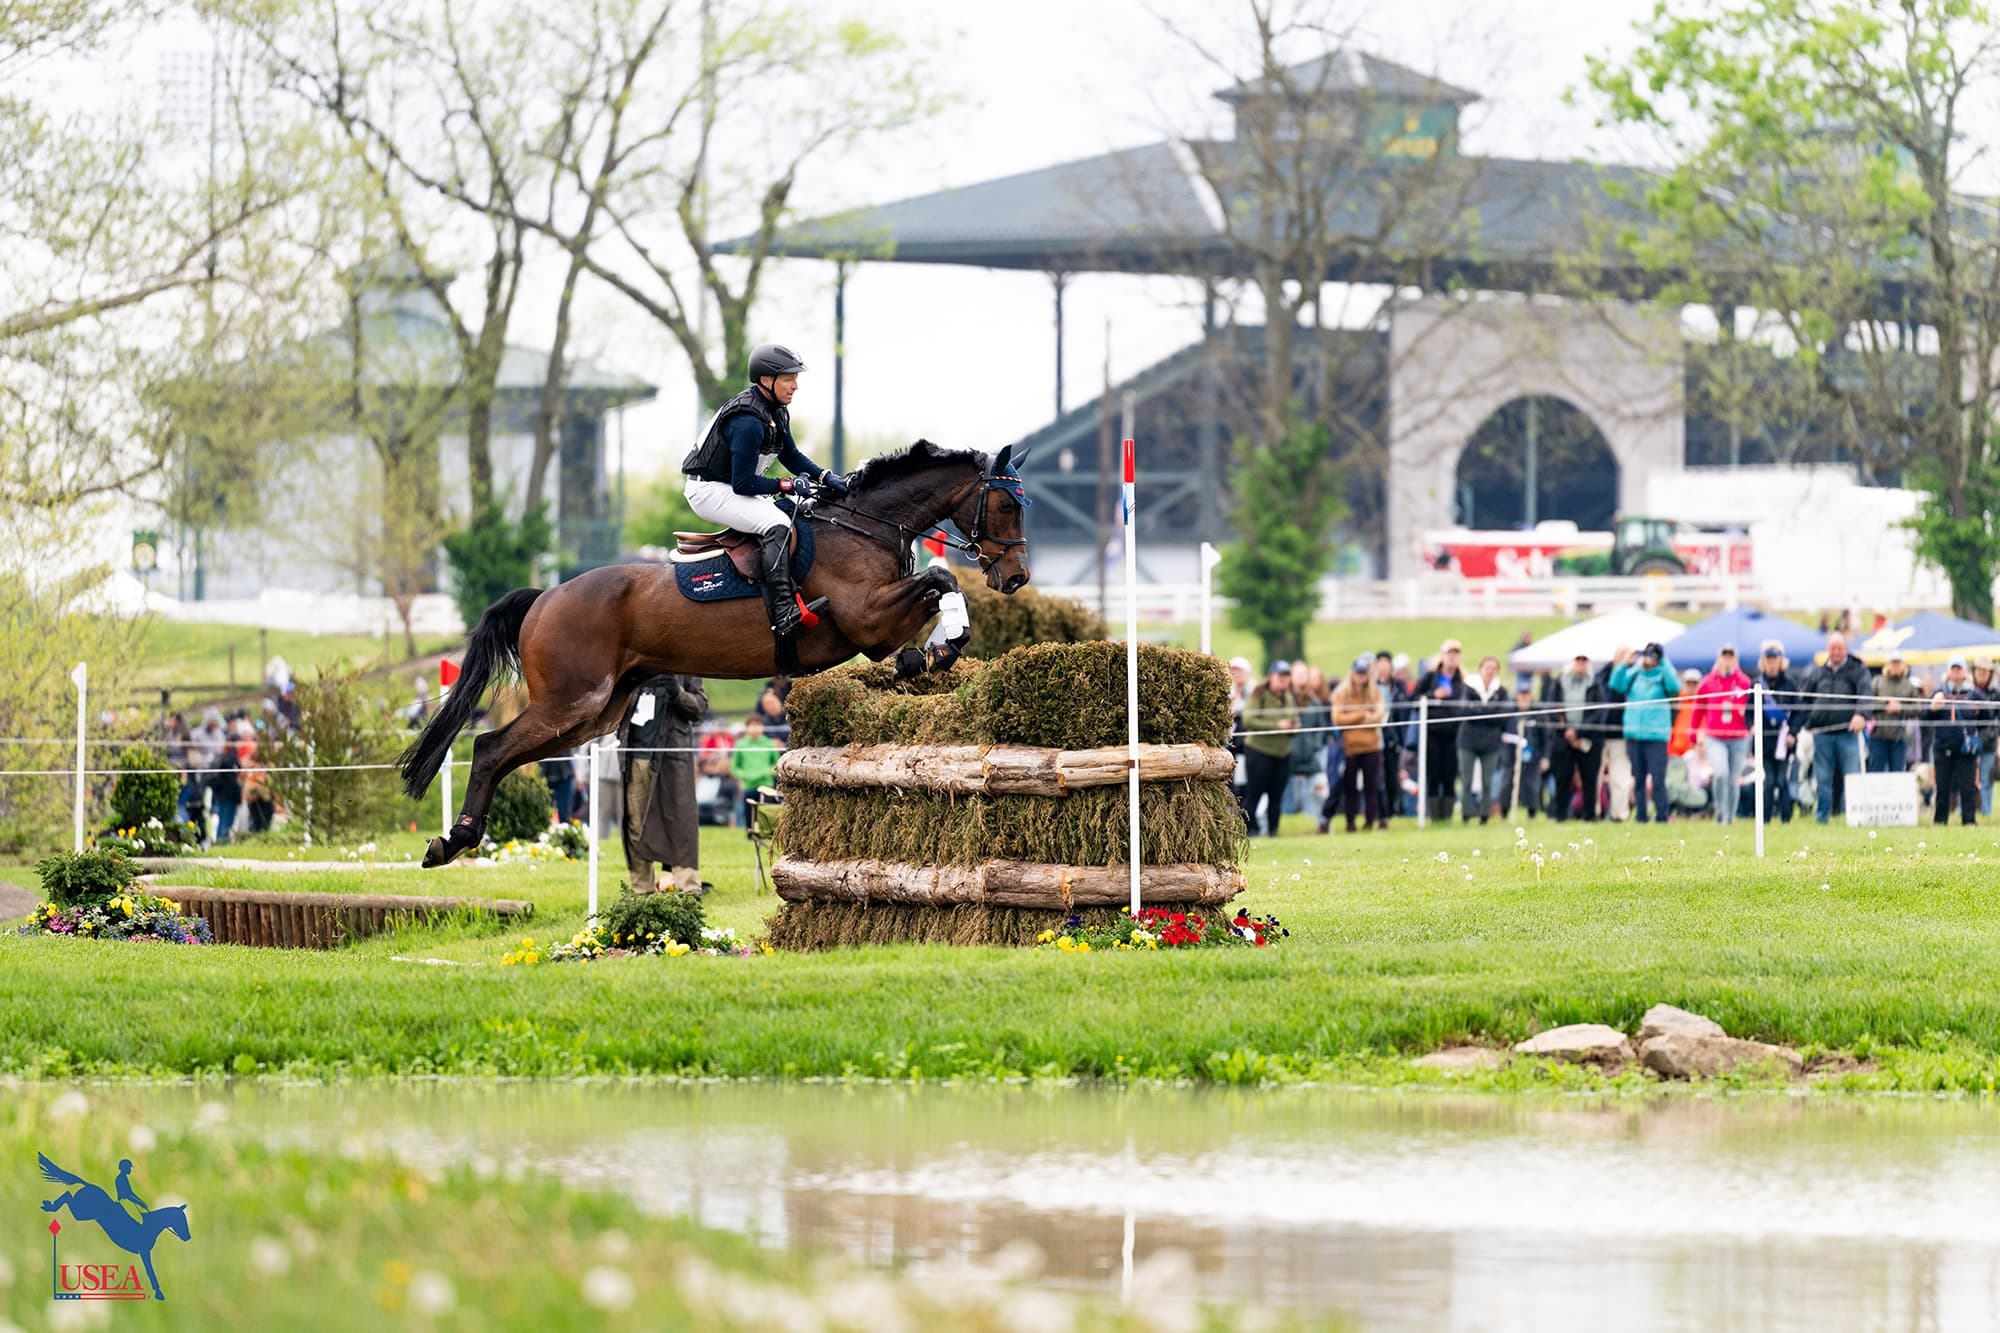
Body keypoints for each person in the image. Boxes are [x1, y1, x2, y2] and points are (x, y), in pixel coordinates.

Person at [679, 342, 848, 638]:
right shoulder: (747, 421)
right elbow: (743, 484)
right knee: (778, 524)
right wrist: (786, 484)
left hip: (729, 486)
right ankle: (783, 612)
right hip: (708, 491)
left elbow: (791, 455)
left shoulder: (776, 411)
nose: (795, 386)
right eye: (788, 378)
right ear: (766, 381)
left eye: (795, 378)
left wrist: (825, 476)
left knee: (797, 512)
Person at [618, 674, 710, 893]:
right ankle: (642, 889)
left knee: (680, 820)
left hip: (673, 755)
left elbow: (700, 707)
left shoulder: (685, 663)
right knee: (635, 822)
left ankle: (688, 888)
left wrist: (678, 693)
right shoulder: (634, 662)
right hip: (636, 755)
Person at [1798, 630, 1872, 823]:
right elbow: (1804, 701)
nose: (1836, 652)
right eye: (1833, 648)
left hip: (1848, 734)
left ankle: (1854, 817)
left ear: (1846, 649)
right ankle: (1822, 817)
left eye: (1840, 648)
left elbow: (1866, 695)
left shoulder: (1858, 670)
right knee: (1822, 780)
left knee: (1852, 777)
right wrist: (1808, 724)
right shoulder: (1818, 672)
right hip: (1822, 734)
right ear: (1827, 649)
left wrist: (1861, 714)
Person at [1609, 642, 1680, 825]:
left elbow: (1675, 686)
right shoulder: (1634, 675)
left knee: (1658, 778)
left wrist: (1664, 660)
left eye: (1653, 656)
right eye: (1646, 655)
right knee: (1638, 779)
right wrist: (1626, 663)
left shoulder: (1663, 675)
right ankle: (1641, 816)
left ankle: (1662, 816)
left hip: (1656, 736)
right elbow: (1616, 683)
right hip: (1634, 735)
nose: (1649, 659)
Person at [1690, 645, 1754, 825]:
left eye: (1730, 656)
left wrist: (1752, 726)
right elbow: (1698, 710)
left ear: (1735, 659)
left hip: (1739, 736)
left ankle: (1730, 817)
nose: (1727, 660)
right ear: (1719, 658)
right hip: (1715, 736)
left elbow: (1749, 709)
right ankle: (1720, 811)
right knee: (1720, 773)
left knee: (1734, 778)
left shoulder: (1744, 682)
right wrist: (1693, 733)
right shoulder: (1707, 682)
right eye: (1724, 656)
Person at [1542, 653, 1607, 822]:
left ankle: (1589, 815)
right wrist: (1565, 730)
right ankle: (1560, 815)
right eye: (1578, 660)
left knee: (1589, 779)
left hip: (1588, 738)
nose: (1581, 664)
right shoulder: (1560, 682)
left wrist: (1577, 732)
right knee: (1562, 778)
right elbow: (1552, 709)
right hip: (1562, 738)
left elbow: (1598, 712)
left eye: (1584, 660)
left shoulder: (1594, 684)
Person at [1326, 655, 1386, 832]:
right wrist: (1361, 715)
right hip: (1350, 748)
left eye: (1364, 673)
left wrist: (1353, 719)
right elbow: (1337, 718)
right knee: (1349, 787)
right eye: (1358, 673)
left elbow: (1378, 716)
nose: (1361, 677)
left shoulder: (1375, 692)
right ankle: (1350, 822)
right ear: (1352, 674)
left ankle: (1369, 822)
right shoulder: (1342, 694)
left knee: (1371, 786)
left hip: (1371, 747)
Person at [1240, 661, 1299, 836]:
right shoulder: (1258, 695)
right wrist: (1277, 724)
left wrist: (1293, 727)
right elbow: (1248, 721)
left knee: (1277, 796)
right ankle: (1247, 830)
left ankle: (1273, 831)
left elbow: (1293, 717)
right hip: (1259, 751)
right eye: (1280, 676)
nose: (1283, 680)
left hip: (1282, 753)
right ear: (1271, 676)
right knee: (1254, 794)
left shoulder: (1288, 697)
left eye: (1286, 676)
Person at [1926, 655, 1986, 826]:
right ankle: (1940, 822)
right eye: (1953, 668)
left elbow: (1989, 716)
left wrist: (1978, 719)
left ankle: (1969, 821)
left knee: (1968, 789)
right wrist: (1932, 708)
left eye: (1959, 668)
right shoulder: (1939, 692)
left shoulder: (1974, 694)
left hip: (1966, 750)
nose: (1956, 672)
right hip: (1943, 748)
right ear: (1948, 671)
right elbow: (1924, 717)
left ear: (1965, 671)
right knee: (1942, 788)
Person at [1413, 640, 1469, 820]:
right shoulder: (1430, 678)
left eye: (1456, 654)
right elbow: (1413, 699)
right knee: (1433, 774)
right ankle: (1434, 816)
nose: (1452, 657)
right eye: (1449, 653)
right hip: (1432, 734)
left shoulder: (1462, 681)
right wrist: (1433, 696)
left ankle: (1447, 815)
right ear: (1442, 656)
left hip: (1453, 734)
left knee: (1450, 775)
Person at [1456, 655, 1510, 824]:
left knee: (1487, 782)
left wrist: (1479, 712)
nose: (1490, 671)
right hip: (1468, 740)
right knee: (1467, 779)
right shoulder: (1469, 687)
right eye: (1487, 667)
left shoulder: (1501, 691)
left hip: (1490, 743)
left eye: (1493, 668)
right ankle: (1466, 814)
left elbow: (1501, 717)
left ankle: (1484, 815)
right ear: (1480, 669)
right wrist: (1488, 713)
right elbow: (1464, 711)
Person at [1755, 641, 1799, 823]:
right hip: (1765, 742)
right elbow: (1749, 711)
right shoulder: (1757, 684)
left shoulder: (1789, 683)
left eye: (1775, 660)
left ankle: (1786, 819)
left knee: (1782, 780)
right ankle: (1764, 820)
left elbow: (1798, 711)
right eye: (1769, 660)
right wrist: (1752, 726)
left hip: (1783, 740)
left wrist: (1793, 733)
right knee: (1769, 781)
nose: (1772, 664)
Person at [1593, 651, 1634, 821]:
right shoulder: (1600, 676)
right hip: (1599, 733)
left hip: (1620, 734)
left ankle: (1619, 813)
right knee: (1595, 775)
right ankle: (1594, 811)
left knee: (1620, 777)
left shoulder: (1633, 674)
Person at [1871, 649, 1921, 775]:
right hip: (1878, 735)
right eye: (1893, 663)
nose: (1895, 666)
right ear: (1888, 665)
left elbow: (1917, 708)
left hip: (1899, 736)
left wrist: (1901, 708)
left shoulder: (1909, 686)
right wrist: (1885, 706)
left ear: (1903, 666)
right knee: (1876, 772)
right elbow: (1866, 703)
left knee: (1897, 774)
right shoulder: (1877, 682)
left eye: (1898, 663)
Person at [728, 713, 783, 827]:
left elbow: (777, 765)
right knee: (750, 818)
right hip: (749, 786)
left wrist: (768, 771)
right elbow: (735, 768)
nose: (755, 728)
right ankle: (750, 837)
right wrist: (744, 775)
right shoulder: (741, 745)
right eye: (752, 725)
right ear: (747, 727)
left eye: (758, 725)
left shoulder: (768, 744)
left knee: (766, 817)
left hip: (766, 786)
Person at [1973, 658, 1999, 816]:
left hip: (1989, 741)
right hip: (1969, 741)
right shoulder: (1968, 691)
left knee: (1986, 778)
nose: (1981, 673)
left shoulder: (1996, 694)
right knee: (1967, 778)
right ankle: (1966, 810)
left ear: (1990, 673)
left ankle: (1986, 812)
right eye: (1979, 670)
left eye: (1985, 670)